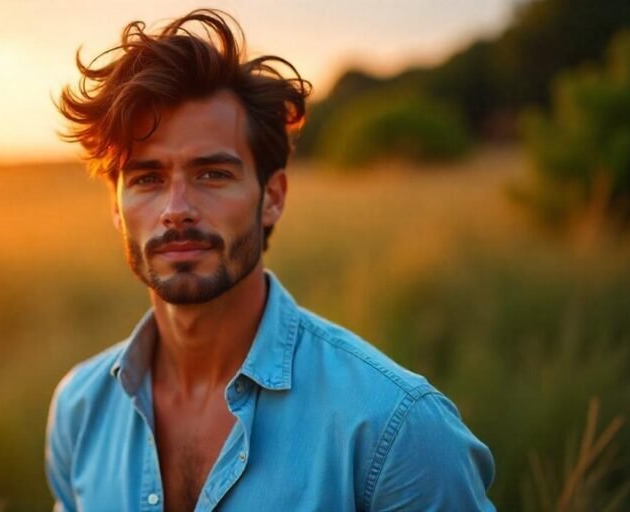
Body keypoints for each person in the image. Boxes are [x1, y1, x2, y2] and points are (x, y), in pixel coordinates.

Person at [46, 8, 495, 511]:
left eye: (212, 174)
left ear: (272, 196)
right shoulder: (79, 410)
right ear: (116, 207)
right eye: (147, 178)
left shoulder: (395, 429)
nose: (176, 211)